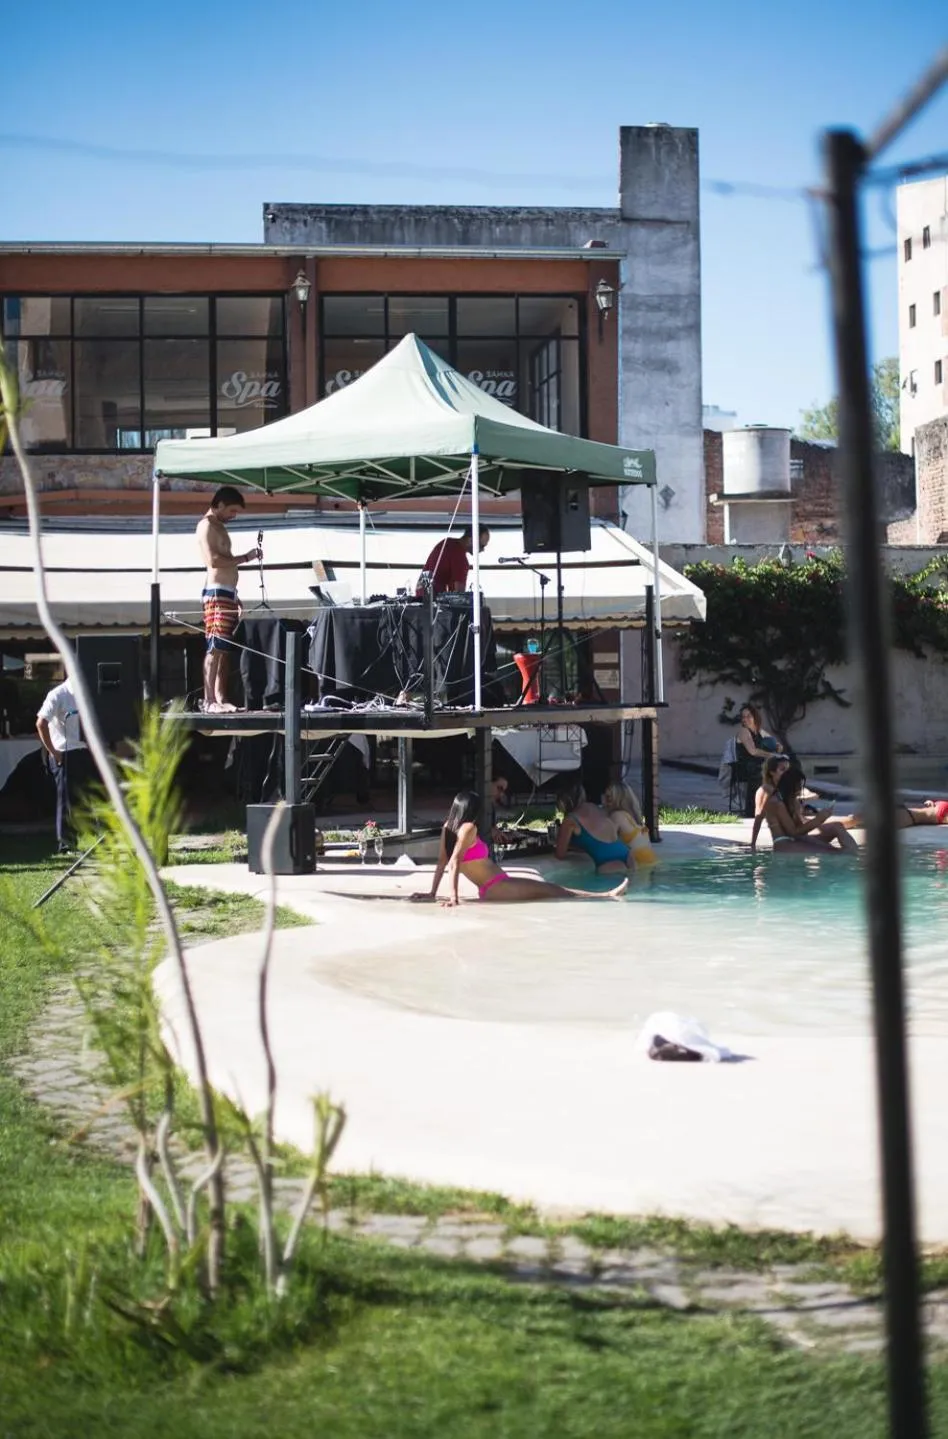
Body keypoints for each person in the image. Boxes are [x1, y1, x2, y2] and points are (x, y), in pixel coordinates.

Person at [416, 791, 628, 904]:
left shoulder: (448, 828)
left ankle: (604, 895)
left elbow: (443, 861)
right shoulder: (468, 828)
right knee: (555, 890)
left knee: (552, 892)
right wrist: (453, 897)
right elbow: (453, 862)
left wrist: (432, 892)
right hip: (498, 885)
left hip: (495, 886)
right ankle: (606, 896)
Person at [195, 486, 261, 712]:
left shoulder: (219, 526)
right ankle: (209, 700)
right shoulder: (205, 526)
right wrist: (245, 558)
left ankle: (220, 698)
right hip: (216, 592)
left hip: (227, 592)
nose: (233, 516)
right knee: (214, 646)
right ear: (220, 504)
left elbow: (225, 561)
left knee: (224, 648)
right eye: (232, 510)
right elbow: (214, 561)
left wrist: (236, 594)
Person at [36, 675, 95, 852]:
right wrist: (53, 752)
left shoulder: (88, 694)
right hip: (65, 752)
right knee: (66, 801)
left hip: (85, 751)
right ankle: (66, 844)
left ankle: (93, 837)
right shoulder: (58, 694)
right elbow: (41, 723)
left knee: (86, 797)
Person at [750, 755, 856, 854]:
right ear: (771, 772)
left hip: (797, 838)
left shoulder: (789, 797)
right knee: (837, 853)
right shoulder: (771, 795)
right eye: (783, 770)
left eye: (788, 770)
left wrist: (815, 822)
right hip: (786, 843)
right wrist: (753, 844)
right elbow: (760, 817)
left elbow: (799, 829)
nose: (787, 773)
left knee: (838, 835)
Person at [554, 780, 634, 874]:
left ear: (563, 801)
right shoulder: (595, 807)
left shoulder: (570, 820)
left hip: (607, 861)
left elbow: (560, 854)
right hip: (626, 854)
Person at [734, 703, 784, 817]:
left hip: (758, 763)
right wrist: (771, 755)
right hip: (745, 766)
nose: (746, 719)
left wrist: (778, 747)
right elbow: (752, 751)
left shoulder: (760, 731)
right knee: (764, 771)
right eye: (743, 716)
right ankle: (754, 809)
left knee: (781, 768)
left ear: (755, 717)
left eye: (749, 716)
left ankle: (778, 804)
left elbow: (776, 744)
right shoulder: (743, 731)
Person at [416, 526, 490, 597]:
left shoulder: (445, 542)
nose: (482, 550)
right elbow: (458, 594)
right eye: (481, 546)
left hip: (420, 596)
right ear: (471, 540)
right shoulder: (460, 559)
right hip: (434, 601)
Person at [602, 780, 656, 865]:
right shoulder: (634, 817)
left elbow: (607, 844)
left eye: (608, 798)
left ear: (618, 799)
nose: (604, 802)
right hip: (650, 861)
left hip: (638, 865)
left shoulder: (617, 816)